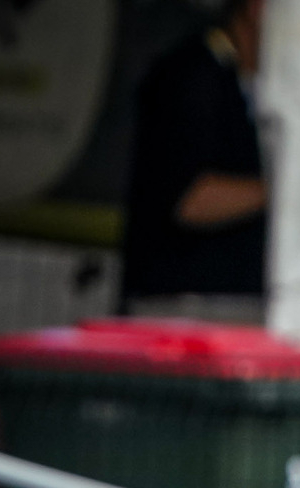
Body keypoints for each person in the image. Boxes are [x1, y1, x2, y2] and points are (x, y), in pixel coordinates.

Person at [120, 0, 269, 323]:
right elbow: (191, 198)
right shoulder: (192, 76)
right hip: (183, 309)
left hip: (227, 304)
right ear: (257, 8)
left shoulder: (248, 80)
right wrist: (287, 188)